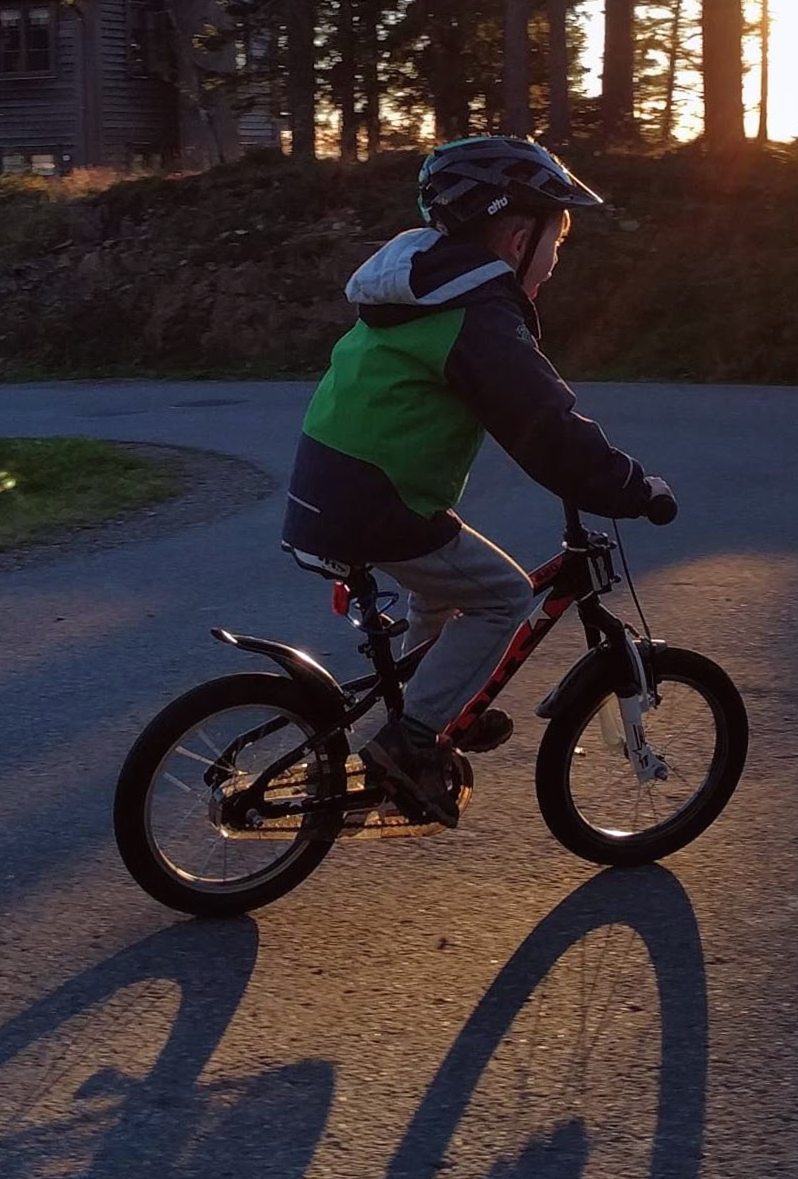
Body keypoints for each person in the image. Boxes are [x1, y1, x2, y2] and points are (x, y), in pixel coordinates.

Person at [280, 134, 673, 820]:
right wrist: (631, 486)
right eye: (554, 243)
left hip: (330, 487)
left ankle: (438, 699)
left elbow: (523, 411)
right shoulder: (476, 314)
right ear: (518, 237)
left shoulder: (424, 287)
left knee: (441, 589)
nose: (553, 264)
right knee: (501, 596)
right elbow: (542, 426)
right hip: (377, 502)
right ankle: (411, 740)